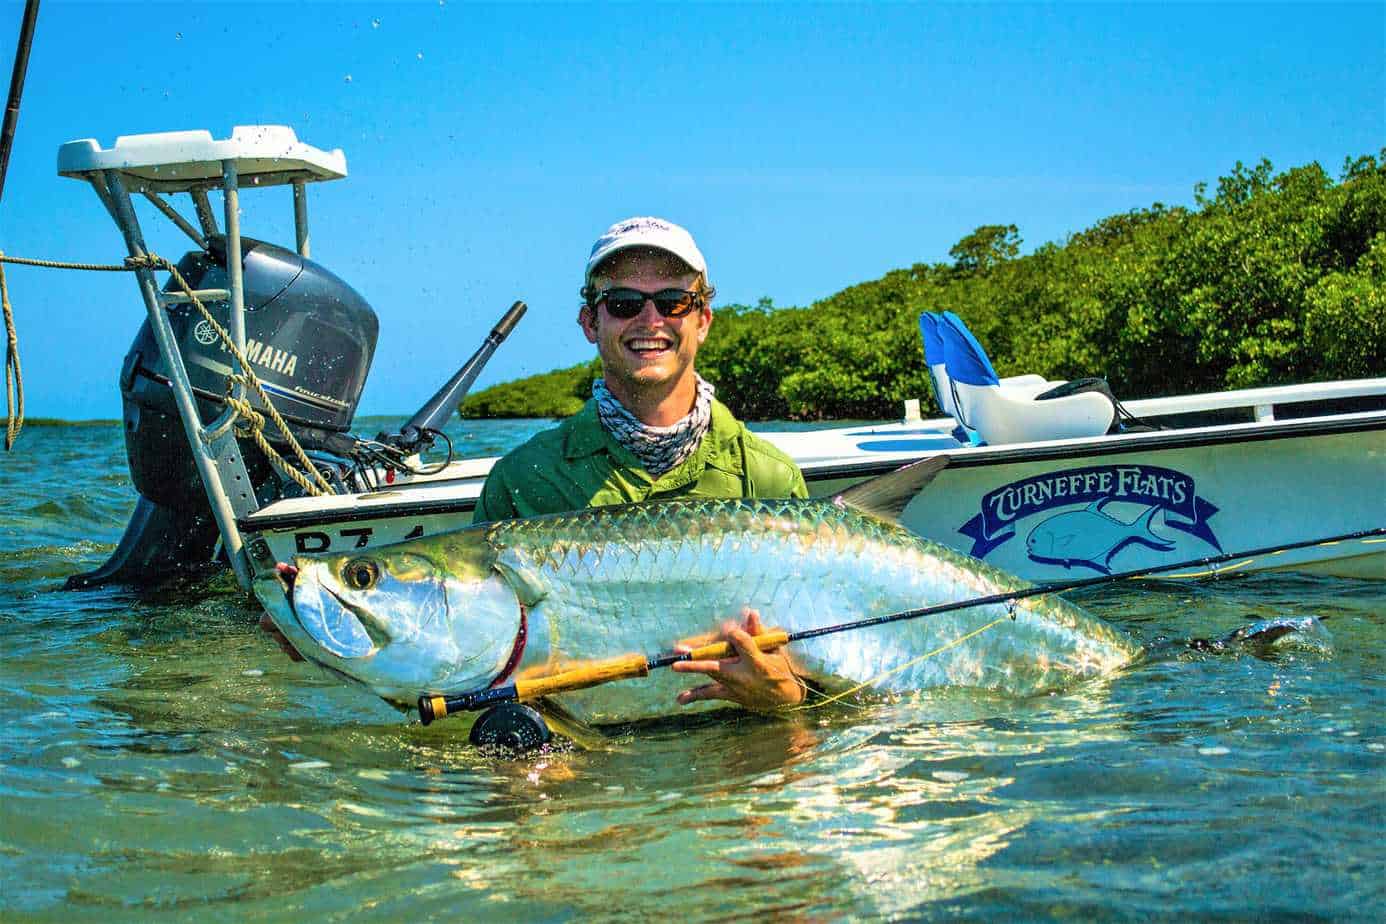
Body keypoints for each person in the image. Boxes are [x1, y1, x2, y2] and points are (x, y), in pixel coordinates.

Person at [473, 216, 811, 711]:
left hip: (740, 771)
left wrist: (786, 697)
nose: (650, 321)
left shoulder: (768, 476)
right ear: (591, 322)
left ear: (703, 320)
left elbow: (833, 675)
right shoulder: (523, 479)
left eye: (673, 301)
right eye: (624, 304)